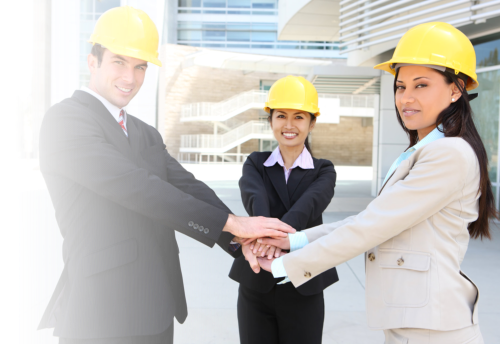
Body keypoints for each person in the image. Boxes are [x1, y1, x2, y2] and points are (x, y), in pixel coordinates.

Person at [36, 6, 294, 344]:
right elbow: (137, 188)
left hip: (156, 304)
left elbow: (183, 185)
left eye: (140, 67)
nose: (130, 78)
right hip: (102, 310)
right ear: (93, 61)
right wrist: (234, 225)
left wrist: (237, 238)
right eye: (119, 62)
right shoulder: (66, 122)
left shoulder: (144, 132)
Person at [256, 22, 497, 343]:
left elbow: (372, 227)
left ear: (456, 89)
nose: (406, 98)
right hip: (414, 320)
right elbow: (369, 219)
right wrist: (294, 240)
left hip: (433, 329)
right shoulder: (425, 150)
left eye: (421, 85)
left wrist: (285, 265)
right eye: (400, 86)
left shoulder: (449, 153)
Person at [229, 76, 339, 344]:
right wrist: (271, 235)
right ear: (271, 120)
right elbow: (256, 203)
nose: (289, 125)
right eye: (281, 116)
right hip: (256, 283)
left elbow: (309, 206)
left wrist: (273, 240)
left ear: (312, 123)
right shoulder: (255, 164)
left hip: (304, 283)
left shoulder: (324, 170)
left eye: (299, 117)